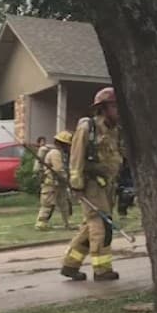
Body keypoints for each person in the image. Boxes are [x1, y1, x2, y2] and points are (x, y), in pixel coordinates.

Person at [60, 87, 123, 281]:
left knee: (90, 226)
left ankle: (70, 265)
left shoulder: (114, 130)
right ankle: (102, 269)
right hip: (90, 185)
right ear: (102, 108)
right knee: (102, 224)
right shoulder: (87, 127)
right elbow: (76, 155)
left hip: (107, 185)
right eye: (114, 106)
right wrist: (76, 183)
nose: (118, 110)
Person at [36, 131, 74, 231]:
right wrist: (67, 179)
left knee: (64, 203)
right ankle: (41, 223)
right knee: (47, 204)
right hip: (51, 183)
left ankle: (67, 223)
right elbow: (58, 169)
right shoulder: (55, 153)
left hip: (59, 184)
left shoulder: (62, 154)